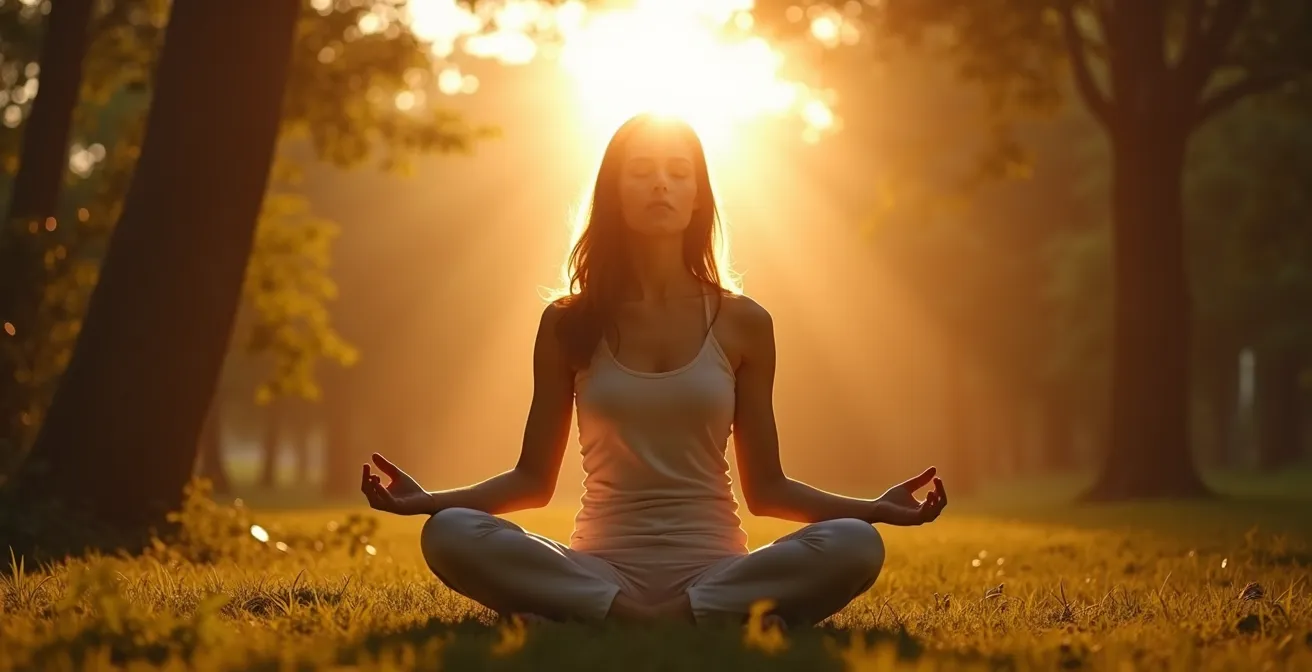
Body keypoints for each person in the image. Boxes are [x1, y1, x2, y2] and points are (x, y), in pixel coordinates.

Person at [360, 113, 948, 628]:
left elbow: (767, 490)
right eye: (640, 170)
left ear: (698, 195)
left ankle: (636, 616)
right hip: (597, 565)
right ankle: (649, 612)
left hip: (714, 566)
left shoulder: (744, 322)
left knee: (855, 544)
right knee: (450, 532)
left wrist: (874, 509)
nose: (660, 183)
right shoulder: (568, 322)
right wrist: (427, 503)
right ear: (614, 191)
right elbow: (532, 482)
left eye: (677, 170)